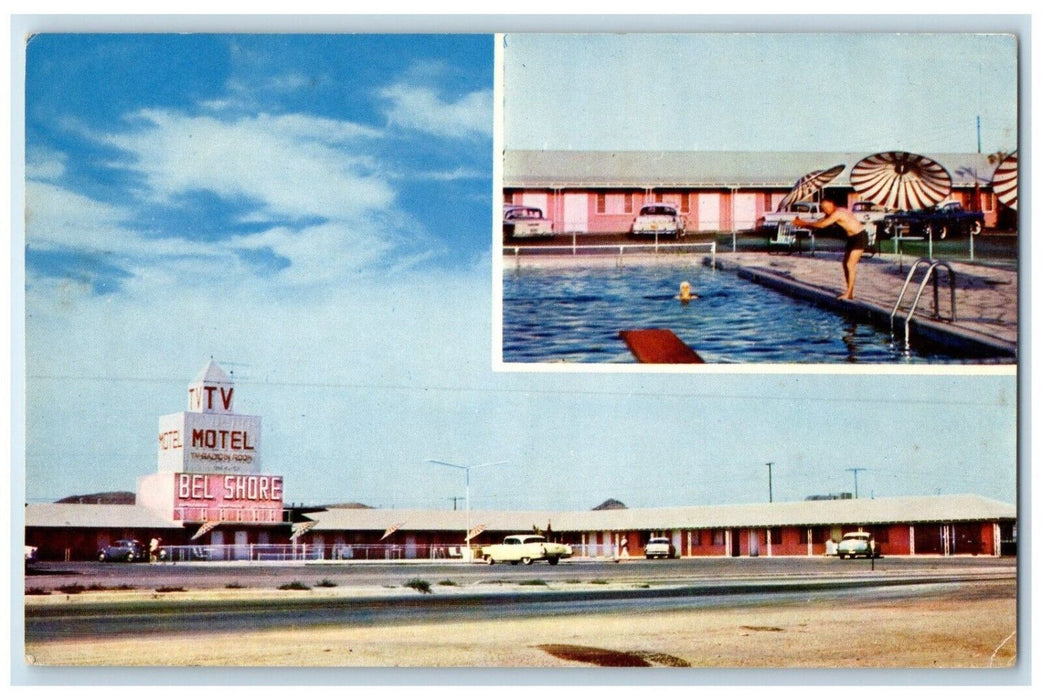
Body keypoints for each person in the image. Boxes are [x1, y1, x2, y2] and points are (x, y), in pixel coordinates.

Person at [793, 199, 868, 300]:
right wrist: (804, 223)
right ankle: (849, 291)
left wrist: (803, 223)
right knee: (845, 263)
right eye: (823, 208)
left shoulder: (838, 213)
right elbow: (820, 222)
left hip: (860, 237)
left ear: (833, 205)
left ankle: (849, 293)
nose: (825, 210)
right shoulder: (834, 212)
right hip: (852, 238)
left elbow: (823, 225)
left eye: (827, 207)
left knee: (850, 264)